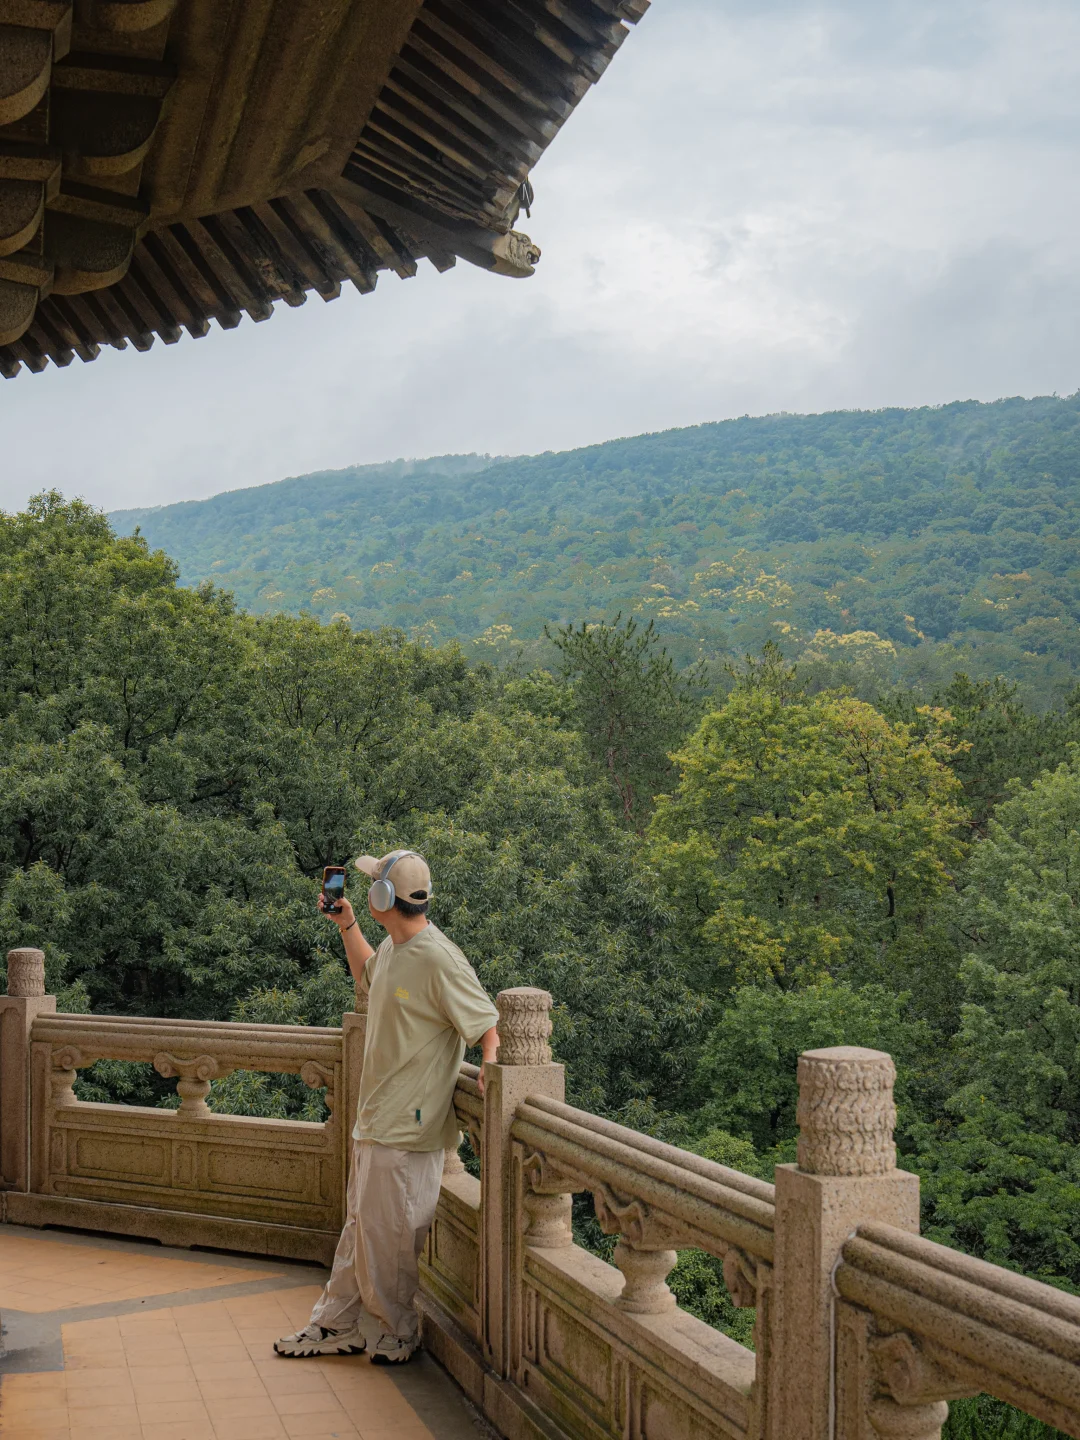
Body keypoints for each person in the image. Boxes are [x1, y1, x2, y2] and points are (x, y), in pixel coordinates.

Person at [274, 849, 499, 1364]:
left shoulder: (440, 957)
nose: (367, 886)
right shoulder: (395, 947)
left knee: (394, 1234)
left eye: (374, 882)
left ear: (385, 898)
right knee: (362, 1227)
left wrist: (489, 1060)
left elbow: (487, 1022)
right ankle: (335, 1324)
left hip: (408, 1125)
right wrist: (347, 925)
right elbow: (369, 978)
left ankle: (400, 1331)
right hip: (376, 1116)